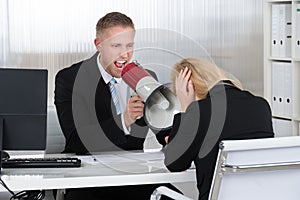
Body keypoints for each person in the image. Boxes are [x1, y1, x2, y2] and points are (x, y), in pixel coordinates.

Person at [54, 12, 177, 200]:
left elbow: (161, 128)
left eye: (129, 45)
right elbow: (76, 140)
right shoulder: (70, 79)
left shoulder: (145, 77)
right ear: (99, 45)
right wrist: (124, 120)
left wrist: (172, 136)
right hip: (88, 179)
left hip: (133, 175)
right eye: (116, 46)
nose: (124, 54)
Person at [163, 58, 274, 200]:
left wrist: (185, 108)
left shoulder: (200, 111)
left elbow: (174, 164)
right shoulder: (261, 106)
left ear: (188, 87)